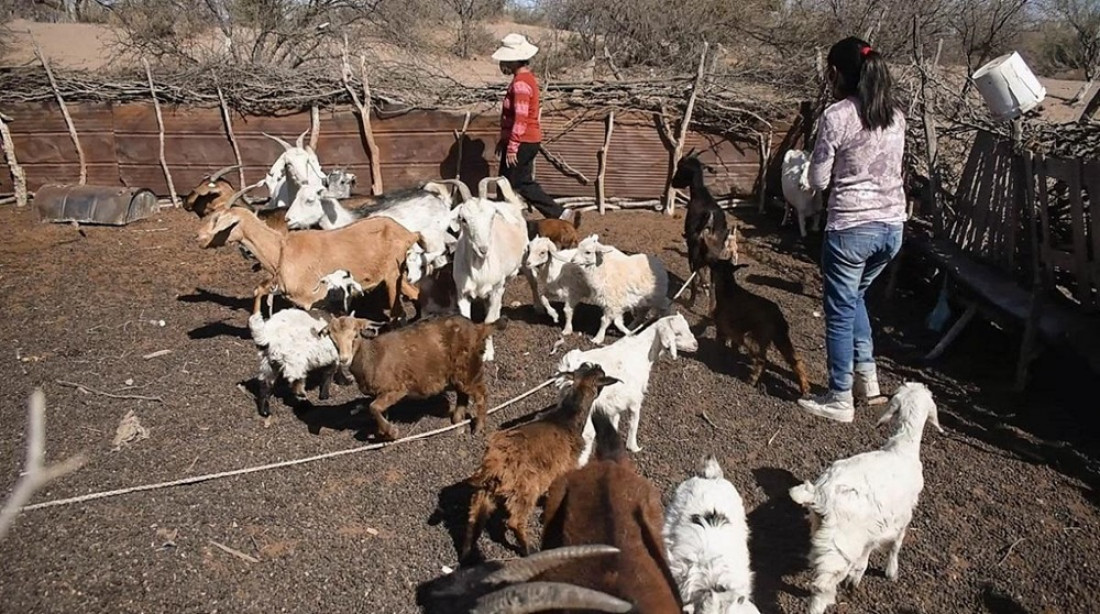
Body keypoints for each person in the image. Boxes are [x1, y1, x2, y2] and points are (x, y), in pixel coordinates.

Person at [797, 36, 907, 423]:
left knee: (840, 311)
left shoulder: (838, 115)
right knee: (855, 298)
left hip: (851, 228)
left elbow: (820, 177)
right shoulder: (895, 115)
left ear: (836, 73)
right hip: (892, 227)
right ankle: (869, 381)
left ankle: (840, 398)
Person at [491, 33, 572, 222]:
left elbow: (520, 118)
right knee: (506, 181)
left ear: (514, 61)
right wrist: (505, 139)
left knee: (519, 182)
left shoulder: (520, 84)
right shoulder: (526, 79)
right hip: (526, 139)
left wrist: (512, 145)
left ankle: (558, 213)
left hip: (523, 140)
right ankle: (506, 219)